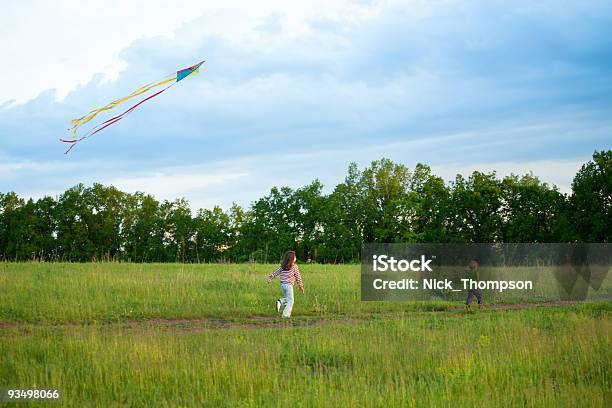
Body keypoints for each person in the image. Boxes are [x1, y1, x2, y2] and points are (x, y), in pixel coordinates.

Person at [266, 250, 304, 318]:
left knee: (288, 299)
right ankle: (285, 315)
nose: (296, 257)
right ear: (292, 259)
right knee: (291, 301)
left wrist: (271, 277)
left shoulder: (283, 266)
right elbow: (298, 277)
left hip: (282, 285)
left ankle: (280, 302)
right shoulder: (294, 267)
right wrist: (301, 286)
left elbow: (276, 272)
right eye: (295, 257)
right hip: (289, 285)